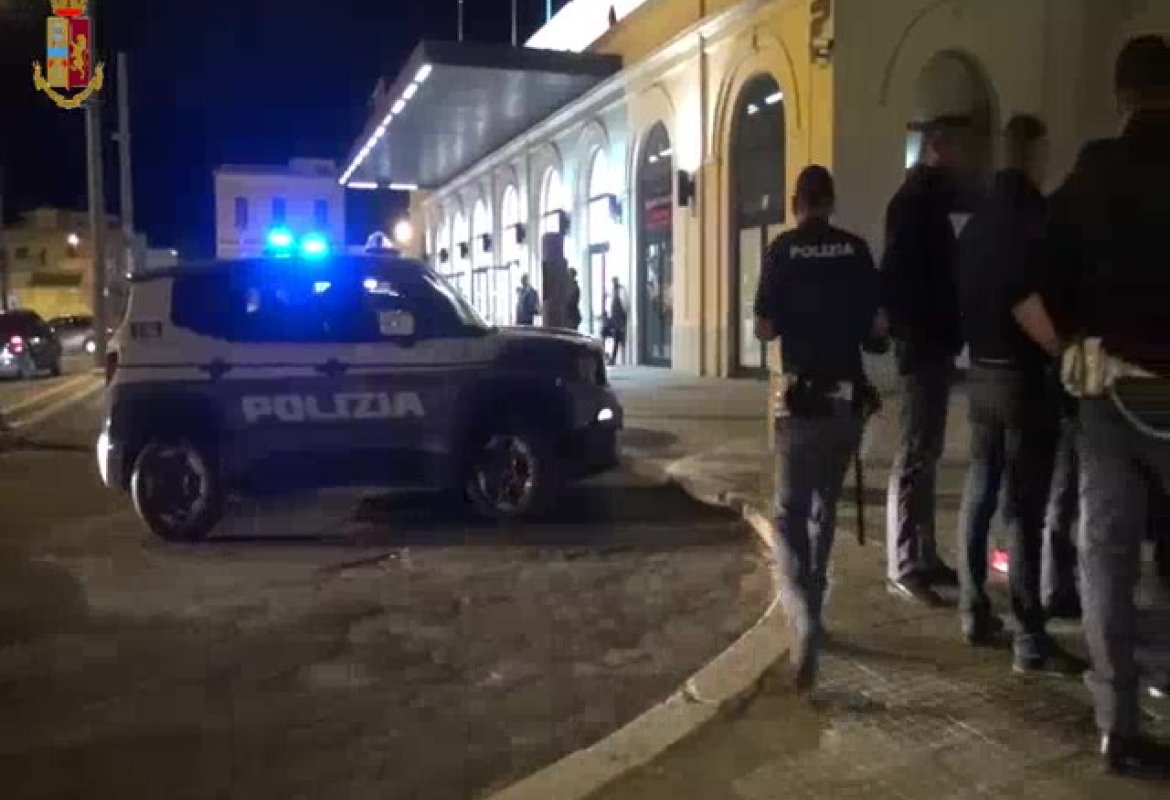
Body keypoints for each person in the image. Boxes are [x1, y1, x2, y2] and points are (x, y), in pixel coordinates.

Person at [1038, 35, 1170, 776]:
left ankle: (1117, 725)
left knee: (1108, 558)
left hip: (1113, 393)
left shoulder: (1094, 171)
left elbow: (1035, 277)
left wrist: (1070, 343)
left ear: (1121, 95)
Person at [953, 115, 1086, 675]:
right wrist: (1061, 349)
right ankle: (1029, 636)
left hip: (980, 373)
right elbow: (1023, 295)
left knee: (981, 487)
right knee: (1023, 507)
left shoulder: (976, 224)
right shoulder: (1034, 217)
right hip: (1024, 379)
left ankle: (972, 607)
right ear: (1034, 153)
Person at [754, 165, 888, 693]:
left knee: (788, 511)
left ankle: (804, 616)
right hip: (847, 404)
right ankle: (817, 602)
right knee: (823, 507)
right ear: (830, 202)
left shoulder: (783, 250)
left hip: (801, 402)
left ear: (796, 203)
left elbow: (765, 326)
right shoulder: (855, 250)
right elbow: (878, 332)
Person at [882, 117, 969, 605]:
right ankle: (904, 563)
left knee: (927, 452)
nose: (961, 160)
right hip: (921, 345)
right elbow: (898, 277)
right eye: (954, 150)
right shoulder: (913, 203)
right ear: (935, 149)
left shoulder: (929, 202)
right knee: (915, 453)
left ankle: (925, 554)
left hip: (934, 343)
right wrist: (912, 331)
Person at [606, 276, 628, 365]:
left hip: (619, 319)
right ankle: (612, 358)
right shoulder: (613, 291)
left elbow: (625, 305)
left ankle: (615, 359)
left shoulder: (621, 290)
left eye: (614, 282)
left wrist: (623, 319)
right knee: (615, 338)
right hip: (614, 319)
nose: (614, 284)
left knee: (618, 339)